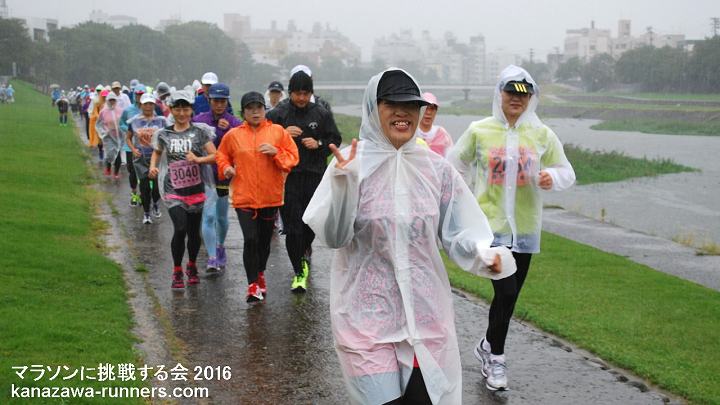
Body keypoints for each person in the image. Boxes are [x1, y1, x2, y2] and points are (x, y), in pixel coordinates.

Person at [303, 68, 516, 404]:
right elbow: (334, 238)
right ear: (373, 108)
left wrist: (483, 254)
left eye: (411, 105)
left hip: (425, 321)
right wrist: (344, 187)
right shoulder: (350, 165)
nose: (402, 113)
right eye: (391, 104)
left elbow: (458, 229)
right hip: (365, 323)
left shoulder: (436, 169)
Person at [448, 65, 576, 391]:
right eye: (510, 92)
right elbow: (454, 165)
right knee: (504, 291)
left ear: (531, 98)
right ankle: (497, 360)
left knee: (510, 298)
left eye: (524, 94)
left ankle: (487, 345)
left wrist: (551, 177)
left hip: (526, 229)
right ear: (499, 94)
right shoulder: (479, 130)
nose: (517, 99)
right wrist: (464, 201)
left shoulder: (542, 134)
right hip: (490, 230)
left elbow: (567, 171)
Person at [216, 91, 299, 302]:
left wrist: (276, 152)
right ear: (243, 112)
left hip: (270, 196)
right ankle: (252, 285)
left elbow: (292, 158)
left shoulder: (278, 132)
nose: (255, 112)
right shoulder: (233, 135)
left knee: (263, 242)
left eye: (259, 108)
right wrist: (226, 168)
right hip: (243, 196)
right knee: (250, 239)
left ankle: (260, 272)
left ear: (265, 109)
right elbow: (221, 155)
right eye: (250, 109)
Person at [266, 69, 342, 292]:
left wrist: (319, 144)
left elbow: (335, 139)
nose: (301, 98)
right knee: (293, 228)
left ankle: (304, 251)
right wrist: (281, 132)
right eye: (297, 93)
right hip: (288, 177)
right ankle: (299, 272)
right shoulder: (278, 114)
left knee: (310, 224)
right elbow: (262, 138)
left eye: (305, 94)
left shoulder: (321, 113)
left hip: (314, 176)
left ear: (311, 93)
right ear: (289, 93)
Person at [149, 90, 217, 289]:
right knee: (180, 229)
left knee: (194, 233)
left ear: (191, 110)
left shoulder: (200, 132)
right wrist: (153, 167)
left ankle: (192, 265)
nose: (181, 113)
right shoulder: (164, 134)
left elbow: (215, 156)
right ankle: (177, 270)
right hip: (173, 191)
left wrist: (198, 159)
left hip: (195, 190)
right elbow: (156, 152)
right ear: (171, 110)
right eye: (177, 109)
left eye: (185, 109)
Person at [192, 83, 242, 273]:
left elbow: (242, 145)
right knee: (208, 216)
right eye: (215, 101)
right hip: (204, 175)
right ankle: (212, 257)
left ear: (227, 101)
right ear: (209, 100)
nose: (219, 105)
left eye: (222, 101)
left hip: (223, 175)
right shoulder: (199, 120)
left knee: (221, 217)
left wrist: (229, 130)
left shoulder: (234, 122)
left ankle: (220, 246)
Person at [127, 93, 167, 224]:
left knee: (156, 188)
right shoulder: (134, 122)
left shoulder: (161, 121)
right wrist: (133, 150)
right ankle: (146, 213)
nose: (148, 106)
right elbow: (128, 138)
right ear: (141, 105)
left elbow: (167, 136)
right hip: (141, 159)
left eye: (151, 104)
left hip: (157, 158)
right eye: (146, 104)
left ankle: (155, 203)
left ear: (154, 105)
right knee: (144, 187)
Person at [96, 92, 124, 178]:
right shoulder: (103, 112)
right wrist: (103, 132)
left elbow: (124, 122)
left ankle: (116, 172)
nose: (112, 102)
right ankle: (108, 168)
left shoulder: (120, 110)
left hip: (118, 136)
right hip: (108, 137)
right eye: (110, 100)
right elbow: (99, 124)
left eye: (113, 100)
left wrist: (123, 130)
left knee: (118, 154)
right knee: (110, 154)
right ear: (107, 101)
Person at [417, 92, 453, 157]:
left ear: (436, 111)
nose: (428, 112)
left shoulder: (442, 134)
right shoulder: (411, 132)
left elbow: (450, 158)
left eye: (432, 108)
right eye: (425, 108)